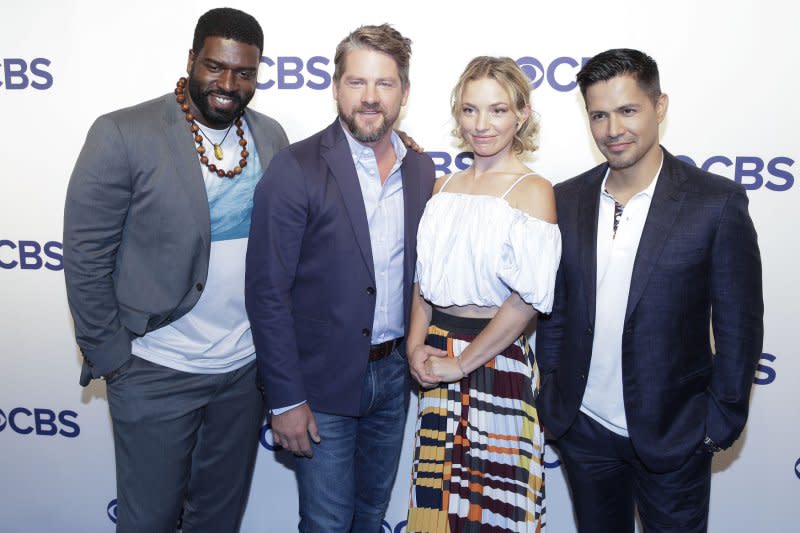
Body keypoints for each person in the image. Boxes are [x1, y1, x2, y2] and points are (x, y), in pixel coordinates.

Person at [62, 8, 288, 532]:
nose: (228, 85)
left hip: (241, 375)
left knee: (218, 520)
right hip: (153, 370)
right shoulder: (123, 132)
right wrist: (114, 358)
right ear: (191, 61)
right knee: (150, 521)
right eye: (215, 67)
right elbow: (86, 254)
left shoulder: (270, 136)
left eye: (244, 73)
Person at [535, 48, 764, 533]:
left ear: (660, 107)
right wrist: (554, 387)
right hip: (584, 430)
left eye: (628, 110)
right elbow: (557, 310)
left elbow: (739, 327)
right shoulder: (567, 198)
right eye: (599, 114)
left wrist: (717, 423)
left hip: (676, 434)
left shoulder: (715, 203)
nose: (613, 129)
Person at [244, 24, 435, 533]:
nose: (370, 98)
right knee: (327, 523)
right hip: (319, 383)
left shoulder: (420, 168)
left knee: (370, 517)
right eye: (357, 83)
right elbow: (266, 292)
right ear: (335, 87)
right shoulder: (295, 167)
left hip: (393, 376)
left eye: (385, 84)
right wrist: (285, 398)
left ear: (405, 92)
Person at [406, 56, 561, 532]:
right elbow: (423, 279)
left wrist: (463, 362)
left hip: (497, 363)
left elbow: (526, 302)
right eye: (470, 110)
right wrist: (416, 343)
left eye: (497, 110)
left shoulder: (533, 190)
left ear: (522, 115)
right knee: (438, 508)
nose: (482, 124)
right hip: (437, 357)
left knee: (498, 508)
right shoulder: (442, 186)